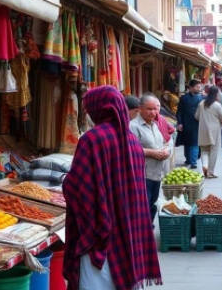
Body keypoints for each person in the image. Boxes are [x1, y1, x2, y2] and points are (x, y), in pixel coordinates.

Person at [63, 86, 161, 290]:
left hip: (101, 232)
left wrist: (66, 181)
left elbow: (77, 187)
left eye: (89, 109)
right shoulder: (132, 141)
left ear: (100, 108)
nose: (89, 113)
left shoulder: (91, 140)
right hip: (127, 228)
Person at [130, 95, 172, 223]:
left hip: (157, 174)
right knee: (143, 208)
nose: (153, 112)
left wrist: (166, 150)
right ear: (140, 109)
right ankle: (143, 234)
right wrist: (152, 153)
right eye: (149, 109)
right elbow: (130, 150)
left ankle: (149, 232)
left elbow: (164, 143)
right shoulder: (133, 126)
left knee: (152, 205)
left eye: (155, 109)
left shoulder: (154, 125)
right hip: (143, 175)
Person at [195, 86, 222, 178]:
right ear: (216, 94)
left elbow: (196, 116)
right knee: (213, 152)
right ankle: (210, 172)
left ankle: (205, 165)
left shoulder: (201, 103)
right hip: (214, 131)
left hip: (202, 130)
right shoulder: (217, 105)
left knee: (204, 150)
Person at [176, 79, 203, 168]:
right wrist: (180, 123)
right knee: (187, 142)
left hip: (198, 124)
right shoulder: (184, 98)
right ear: (190, 87)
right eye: (197, 87)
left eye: (199, 87)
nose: (199, 88)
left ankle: (193, 162)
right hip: (186, 123)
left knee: (195, 143)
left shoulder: (202, 98)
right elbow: (179, 111)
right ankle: (188, 159)